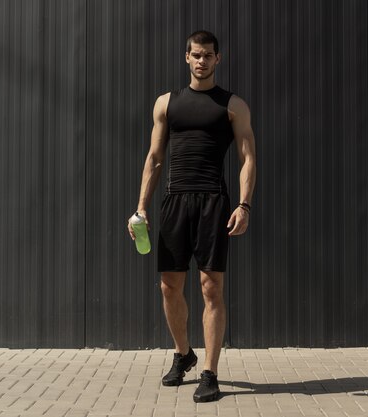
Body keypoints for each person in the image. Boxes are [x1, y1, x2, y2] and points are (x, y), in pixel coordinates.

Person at [127, 30, 257, 403]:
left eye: (208, 56)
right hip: (174, 202)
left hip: (213, 203)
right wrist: (140, 208)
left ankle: (210, 373)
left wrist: (244, 205)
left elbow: (249, 158)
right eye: (196, 55)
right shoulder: (167, 103)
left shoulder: (233, 105)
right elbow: (154, 158)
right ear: (186, 57)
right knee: (169, 285)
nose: (202, 61)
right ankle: (184, 354)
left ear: (219, 59)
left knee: (210, 286)